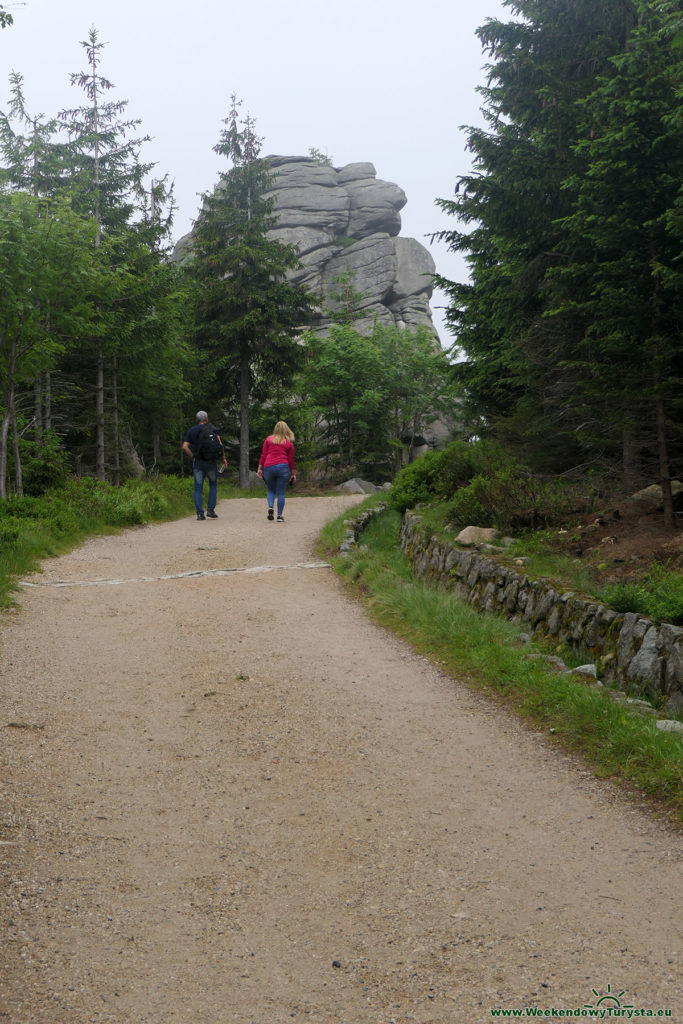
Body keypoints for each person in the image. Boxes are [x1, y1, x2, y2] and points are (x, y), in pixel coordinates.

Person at [182, 411, 228, 520]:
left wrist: (193, 456)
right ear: (206, 419)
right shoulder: (212, 429)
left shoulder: (192, 431)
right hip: (211, 463)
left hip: (198, 463)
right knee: (213, 485)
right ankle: (211, 510)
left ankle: (199, 513)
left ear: (196, 420)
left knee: (198, 488)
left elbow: (184, 446)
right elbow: (220, 445)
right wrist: (223, 459)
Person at [257, 420, 296, 522]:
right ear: (286, 430)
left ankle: (270, 507)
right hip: (283, 467)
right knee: (281, 493)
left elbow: (263, 454)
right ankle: (279, 516)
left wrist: (260, 468)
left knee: (271, 490)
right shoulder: (289, 443)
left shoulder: (268, 440)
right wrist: (293, 473)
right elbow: (291, 460)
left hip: (268, 466)